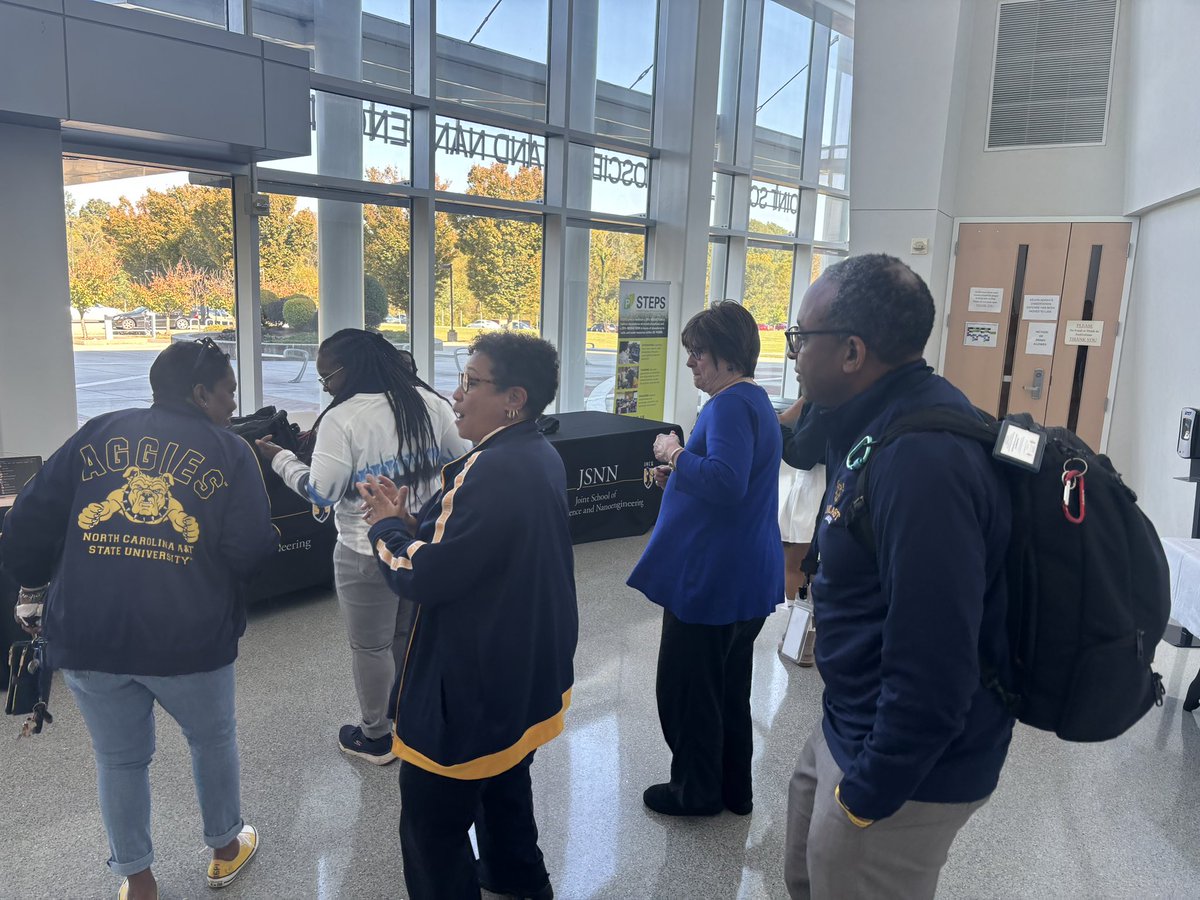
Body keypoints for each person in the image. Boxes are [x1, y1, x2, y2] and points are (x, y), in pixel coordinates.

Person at [0, 337, 278, 900]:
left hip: (87, 633)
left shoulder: (97, 433)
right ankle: (225, 850)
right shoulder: (231, 452)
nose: (232, 403)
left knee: (119, 761)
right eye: (227, 391)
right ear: (200, 393)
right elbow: (249, 550)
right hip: (189, 637)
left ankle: (139, 881)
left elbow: (26, 521)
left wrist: (33, 587)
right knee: (212, 739)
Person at [782, 254, 1014, 899]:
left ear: (852, 352)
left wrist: (869, 792)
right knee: (804, 879)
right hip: (849, 720)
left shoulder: (923, 464)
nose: (795, 354)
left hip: (904, 771)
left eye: (803, 339)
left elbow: (936, 666)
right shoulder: (874, 421)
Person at [357, 332, 578, 900]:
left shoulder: (487, 472)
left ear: (514, 399)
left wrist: (384, 526)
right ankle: (516, 877)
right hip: (521, 669)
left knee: (432, 825)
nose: (456, 393)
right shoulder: (535, 453)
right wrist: (414, 526)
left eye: (471, 381)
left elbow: (422, 576)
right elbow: (478, 552)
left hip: (472, 684)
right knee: (504, 783)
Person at [255, 328, 469, 764]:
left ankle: (376, 737)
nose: (326, 386)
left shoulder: (343, 418)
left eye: (326, 377)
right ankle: (406, 718)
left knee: (370, 647)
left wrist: (278, 458)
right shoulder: (430, 403)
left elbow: (322, 492)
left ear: (347, 372)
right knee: (406, 635)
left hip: (362, 547)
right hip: (419, 543)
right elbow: (462, 461)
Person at [627, 300, 784, 817]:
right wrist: (682, 474)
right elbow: (729, 476)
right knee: (729, 690)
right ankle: (734, 789)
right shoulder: (757, 401)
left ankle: (694, 793)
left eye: (698, 353)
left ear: (725, 355)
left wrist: (672, 452)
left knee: (687, 692)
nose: (691, 362)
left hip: (712, 580)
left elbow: (726, 481)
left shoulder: (727, 405)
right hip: (746, 576)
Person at [776, 396, 827, 666]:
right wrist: (781, 420)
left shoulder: (827, 398)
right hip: (838, 480)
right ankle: (811, 636)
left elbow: (802, 455)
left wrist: (778, 429)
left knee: (796, 565)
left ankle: (802, 640)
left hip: (815, 484)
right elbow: (792, 414)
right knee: (812, 568)